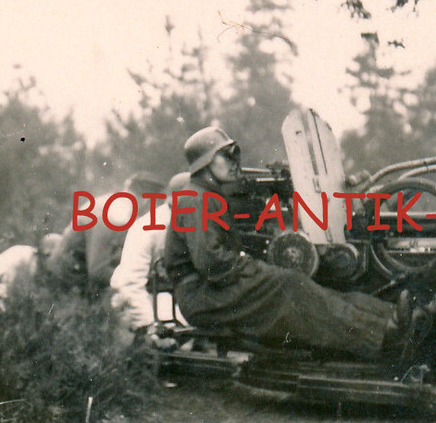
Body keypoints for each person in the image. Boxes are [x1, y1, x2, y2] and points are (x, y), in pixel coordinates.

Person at [162, 126, 408, 362]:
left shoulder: (208, 197)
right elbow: (211, 262)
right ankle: (384, 335)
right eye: (225, 156)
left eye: (234, 155)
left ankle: (390, 316)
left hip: (214, 290)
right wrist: (256, 268)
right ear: (205, 163)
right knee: (290, 285)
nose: (233, 162)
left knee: (302, 283)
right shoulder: (195, 200)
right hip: (202, 297)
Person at [109, 172, 190, 333]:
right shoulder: (149, 226)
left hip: (180, 299)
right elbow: (130, 283)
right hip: (147, 299)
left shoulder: (205, 222)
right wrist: (147, 326)